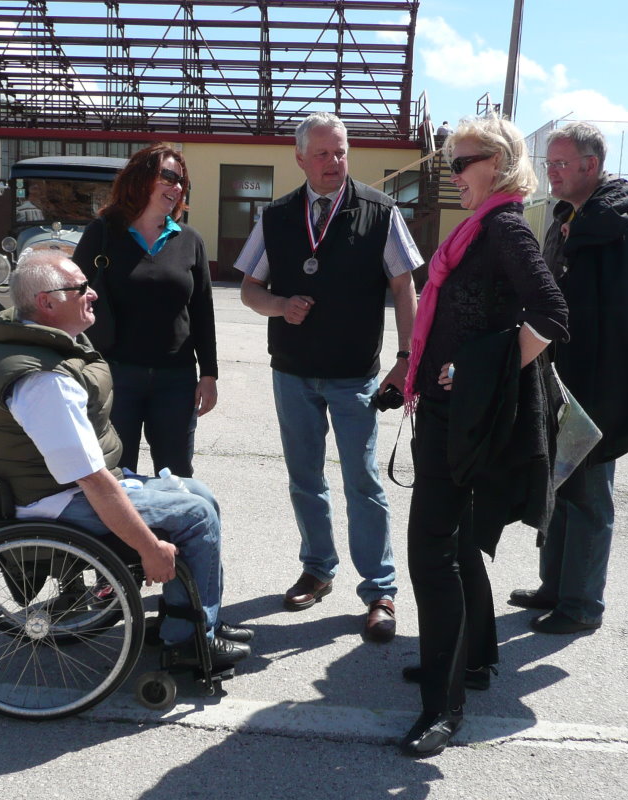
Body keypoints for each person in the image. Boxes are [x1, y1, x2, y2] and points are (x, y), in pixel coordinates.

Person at [0, 248, 251, 670]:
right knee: (196, 516)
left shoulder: (29, 339)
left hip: (54, 486)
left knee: (199, 493)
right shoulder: (43, 381)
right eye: (79, 287)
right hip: (58, 500)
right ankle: (191, 643)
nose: (93, 293)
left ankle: (184, 621)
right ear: (46, 303)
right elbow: (91, 480)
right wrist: (149, 548)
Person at [397, 115, 569, 758]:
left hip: (462, 420)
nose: (452, 176)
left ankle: (442, 708)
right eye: (449, 164)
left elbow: (551, 314)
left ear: (496, 164)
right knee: (458, 542)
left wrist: (480, 375)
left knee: (431, 552)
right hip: (447, 413)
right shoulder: (479, 226)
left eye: (461, 163)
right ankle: (470, 661)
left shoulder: (503, 227)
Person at [234, 111, 422, 643]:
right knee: (305, 479)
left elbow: (404, 286)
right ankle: (317, 569)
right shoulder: (276, 216)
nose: (333, 162)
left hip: (353, 375)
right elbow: (249, 290)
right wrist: (280, 305)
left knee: (363, 482)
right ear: (300, 158)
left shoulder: (380, 212)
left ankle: (379, 590)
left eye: (340, 152)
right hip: (293, 373)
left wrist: (406, 357)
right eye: (322, 153)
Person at [509, 121, 628, 635]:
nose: (551, 172)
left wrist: (621, 391)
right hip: (560, 377)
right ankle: (554, 586)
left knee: (588, 493)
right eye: (549, 163)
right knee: (558, 485)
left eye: (561, 163)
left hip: (601, 384)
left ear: (591, 165)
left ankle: (582, 604)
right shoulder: (567, 216)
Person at [73, 143, 217, 478]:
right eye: (169, 176)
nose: (177, 187)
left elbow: (202, 310)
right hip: (116, 376)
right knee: (117, 475)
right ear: (141, 177)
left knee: (177, 476)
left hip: (176, 379)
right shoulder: (103, 233)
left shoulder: (189, 240)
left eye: (182, 181)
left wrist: (209, 374)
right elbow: (73, 299)